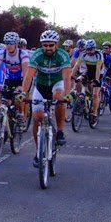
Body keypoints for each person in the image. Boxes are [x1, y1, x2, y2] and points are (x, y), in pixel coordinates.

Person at [20, 30, 72, 168]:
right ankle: (39, 152)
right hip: (41, 86)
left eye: (51, 45)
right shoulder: (37, 55)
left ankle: (60, 131)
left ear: (56, 44)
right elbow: (29, 75)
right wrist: (23, 93)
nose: (48, 48)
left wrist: (68, 94)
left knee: (59, 97)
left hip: (57, 83)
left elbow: (67, 76)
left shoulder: (63, 55)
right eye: (45, 45)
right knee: (37, 117)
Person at [0, 32, 29, 117]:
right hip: (9, 78)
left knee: (19, 99)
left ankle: (21, 115)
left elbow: (26, 72)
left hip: (22, 79)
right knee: (6, 102)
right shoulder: (2, 53)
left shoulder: (22, 54)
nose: (9, 45)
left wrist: (22, 86)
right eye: (7, 43)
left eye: (11, 43)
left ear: (16, 44)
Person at [71, 39, 104, 120]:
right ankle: (85, 104)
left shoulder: (99, 55)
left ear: (94, 48)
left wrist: (96, 79)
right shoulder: (83, 54)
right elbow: (76, 65)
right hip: (88, 72)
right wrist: (71, 75)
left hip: (98, 73)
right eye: (87, 49)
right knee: (80, 81)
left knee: (95, 94)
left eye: (90, 49)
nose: (88, 51)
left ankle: (94, 113)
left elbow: (98, 68)